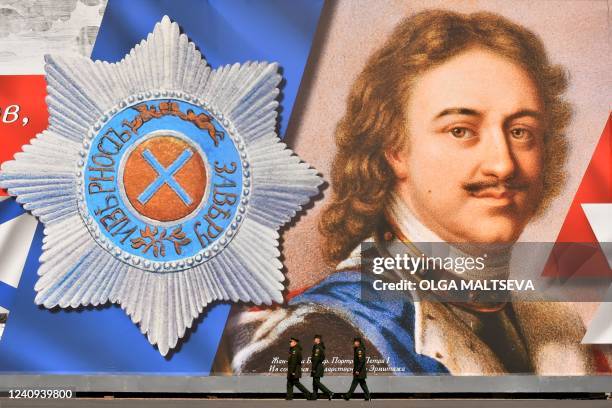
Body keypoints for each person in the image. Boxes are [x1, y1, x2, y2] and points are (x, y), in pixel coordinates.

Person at [217, 9, 596, 376]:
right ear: (395, 150)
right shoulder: (331, 336)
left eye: (521, 132)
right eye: (461, 130)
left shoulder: (553, 323)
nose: (503, 165)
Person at [311, 334, 334, 400]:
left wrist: (314, 368)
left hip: (317, 366)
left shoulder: (317, 347)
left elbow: (316, 359)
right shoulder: (319, 346)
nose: (314, 339)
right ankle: (314, 396)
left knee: (316, 382)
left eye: (315, 338)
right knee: (315, 382)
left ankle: (329, 392)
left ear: (318, 340)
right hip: (318, 366)